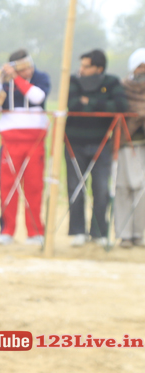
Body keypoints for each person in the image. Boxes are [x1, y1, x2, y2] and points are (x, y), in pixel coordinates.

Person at [65, 48, 127, 247]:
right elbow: (72, 104)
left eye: (86, 66)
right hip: (74, 143)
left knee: (101, 189)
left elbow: (120, 106)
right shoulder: (73, 81)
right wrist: (101, 104)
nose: (81, 70)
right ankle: (78, 231)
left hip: (102, 143)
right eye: (81, 65)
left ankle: (99, 232)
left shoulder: (112, 82)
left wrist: (89, 102)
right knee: (75, 188)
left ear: (99, 69)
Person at [0, 48, 50, 245]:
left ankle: (35, 232)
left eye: (29, 67)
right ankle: (7, 230)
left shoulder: (41, 78)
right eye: (22, 69)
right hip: (10, 140)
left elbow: (37, 97)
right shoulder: (4, 82)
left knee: (34, 186)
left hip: (35, 141)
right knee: (7, 186)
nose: (28, 71)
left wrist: (16, 78)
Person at [117, 48, 145, 247]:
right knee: (122, 188)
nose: (143, 70)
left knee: (142, 190)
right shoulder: (122, 88)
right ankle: (124, 234)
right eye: (140, 66)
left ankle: (139, 234)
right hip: (125, 144)